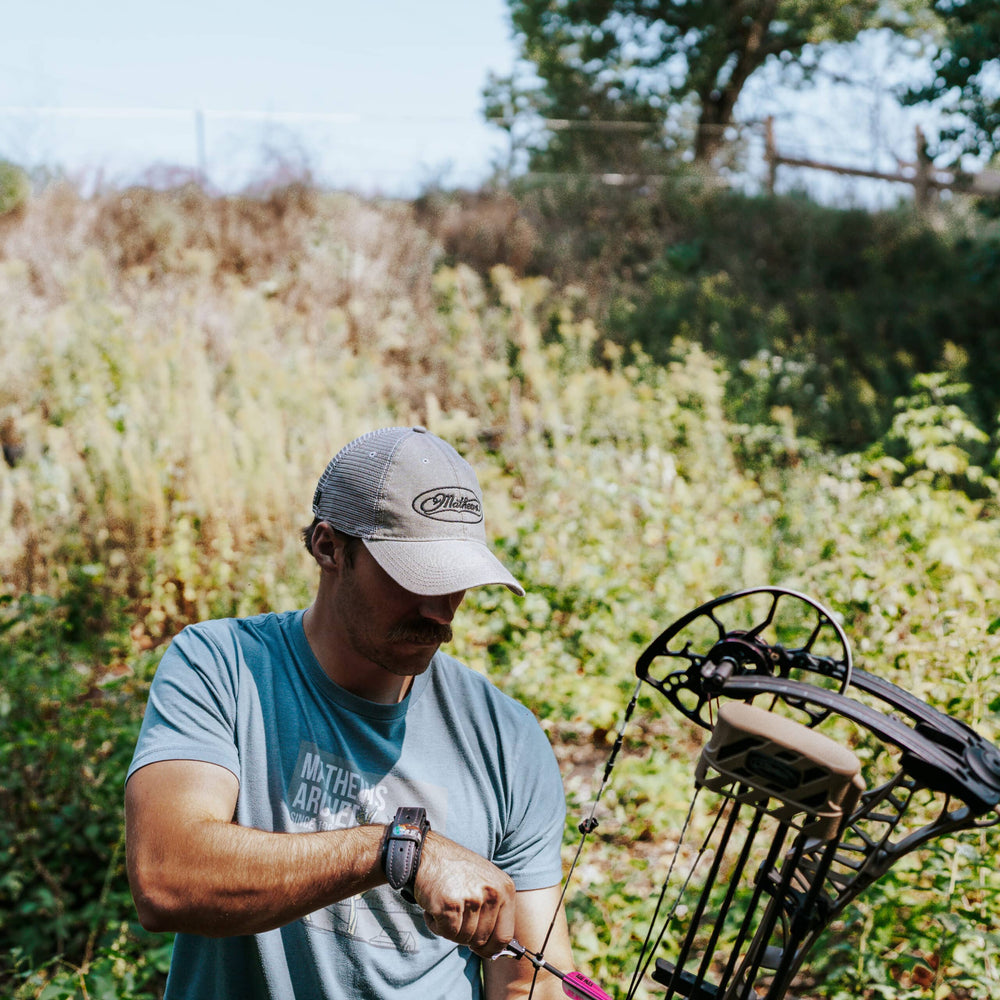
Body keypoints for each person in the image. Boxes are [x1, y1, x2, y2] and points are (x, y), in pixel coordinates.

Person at [125, 425, 574, 999]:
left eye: (459, 579)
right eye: (416, 577)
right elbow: (168, 877)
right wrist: (396, 851)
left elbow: (527, 978)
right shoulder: (223, 666)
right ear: (328, 546)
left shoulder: (506, 738)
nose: (440, 610)